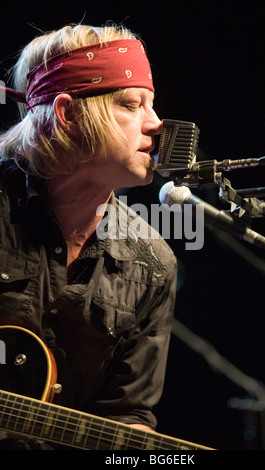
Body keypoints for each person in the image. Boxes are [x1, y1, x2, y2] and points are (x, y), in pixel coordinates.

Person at [0, 23, 177, 449]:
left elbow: (125, 414)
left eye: (151, 105)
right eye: (131, 104)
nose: (155, 124)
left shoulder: (152, 264)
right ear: (68, 114)